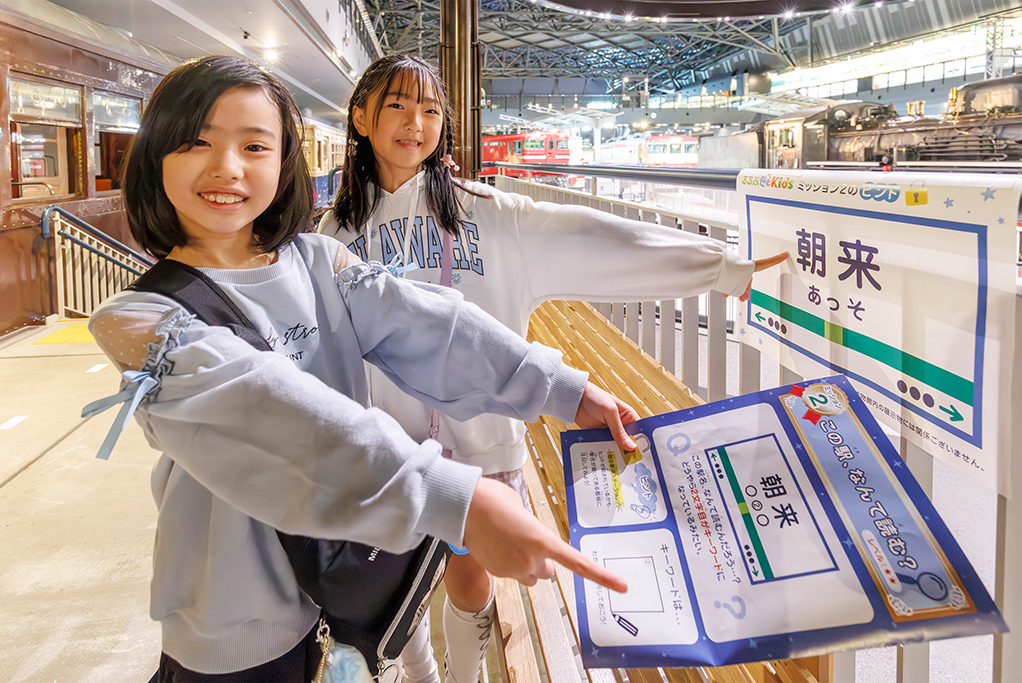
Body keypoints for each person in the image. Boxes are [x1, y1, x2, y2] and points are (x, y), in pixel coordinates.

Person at [88, 55, 636, 682]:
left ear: (283, 162)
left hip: (345, 601)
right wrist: (456, 499)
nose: (228, 168)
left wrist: (564, 389)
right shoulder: (138, 320)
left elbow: (430, 325)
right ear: (155, 154)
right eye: (196, 142)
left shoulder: (320, 260)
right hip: (235, 627)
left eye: (255, 146)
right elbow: (268, 412)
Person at [319, 53, 789, 683]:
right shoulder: (334, 235)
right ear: (360, 118)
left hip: (480, 443)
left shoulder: (489, 213)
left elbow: (597, 238)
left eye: (430, 110)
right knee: (395, 580)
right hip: (387, 445)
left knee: (469, 578)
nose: (415, 123)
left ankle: (464, 678)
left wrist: (721, 267)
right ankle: (421, 674)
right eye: (397, 106)